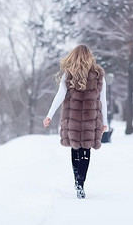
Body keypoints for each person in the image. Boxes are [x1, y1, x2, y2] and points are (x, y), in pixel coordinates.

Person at [43, 45, 108, 199]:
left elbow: (59, 95)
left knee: (75, 150)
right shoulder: (98, 74)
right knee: (86, 151)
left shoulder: (69, 74)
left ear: (74, 56)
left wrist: (49, 115)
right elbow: (103, 100)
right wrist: (105, 121)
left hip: (73, 119)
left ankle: (77, 182)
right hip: (90, 120)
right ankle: (81, 183)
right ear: (89, 56)